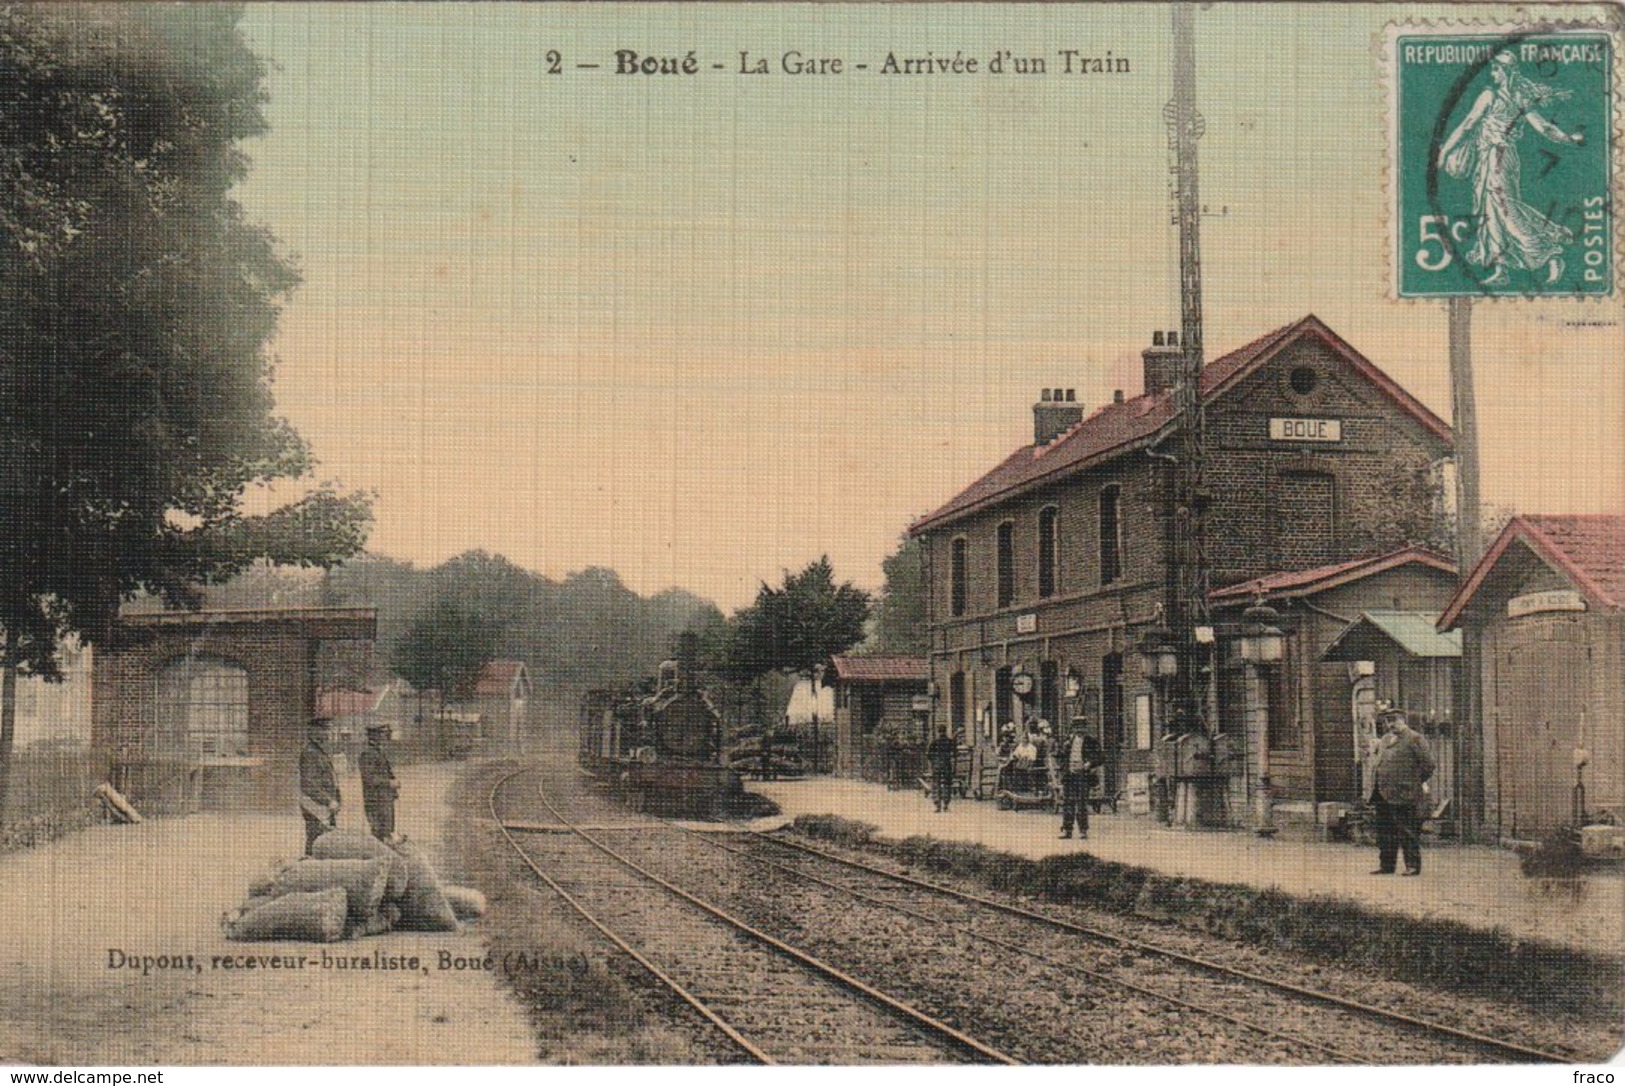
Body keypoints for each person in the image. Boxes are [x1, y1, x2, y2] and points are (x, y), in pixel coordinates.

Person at [1437, 51, 1584, 286]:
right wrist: (1568, 138)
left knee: (1505, 212)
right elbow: (1545, 128)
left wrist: (1444, 153)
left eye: (1496, 70)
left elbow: (1467, 126)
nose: (1493, 74)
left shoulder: (1490, 95)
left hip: (1497, 159)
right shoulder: (1519, 98)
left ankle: (1550, 253)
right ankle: (1501, 268)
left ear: (1506, 72)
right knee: (1492, 212)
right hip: (1500, 159)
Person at [1368, 709, 1435, 876]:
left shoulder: (1415, 738)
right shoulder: (1385, 739)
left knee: (1407, 830)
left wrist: (1413, 782)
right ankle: (1387, 865)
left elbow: (1428, 765)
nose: (1390, 725)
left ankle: (1412, 865)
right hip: (1382, 792)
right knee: (1385, 831)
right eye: (1387, 721)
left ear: (1403, 720)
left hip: (1404, 793)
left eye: (1394, 720)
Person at [299, 717, 340, 855]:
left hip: (324, 806)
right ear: (314, 731)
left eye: (328, 729)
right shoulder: (310, 753)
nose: (328, 733)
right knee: (317, 842)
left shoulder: (319, 751)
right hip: (316, 806)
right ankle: (308, 871)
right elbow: (308, 784)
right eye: (325, 729)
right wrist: (328, 800)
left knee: (326, 842)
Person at [1058, 721, 1103, 840]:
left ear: (1085, 728)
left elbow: (1100, 757)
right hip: (1069, 776)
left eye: (1081, 727)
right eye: (1076, 727)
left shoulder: (1091, 741)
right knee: (1068, 803)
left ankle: (1083, 830)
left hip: (1083, 776)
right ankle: (1067, 830)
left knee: (1082, 803)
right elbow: (1062, 757)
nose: (1079, 730)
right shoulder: (1068, 742)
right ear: (1073, 728)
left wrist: (1089, 763)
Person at [358, 720, 400, 842]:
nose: (385, 737)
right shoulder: (368, 753)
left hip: (384, 798)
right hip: (375, 800)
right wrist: (389, 783)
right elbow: (369, 778)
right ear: (374, 735)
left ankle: (387, 857)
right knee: (381, 833)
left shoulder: (377, 752)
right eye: (382, 734)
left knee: (388, 831)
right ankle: (381, 859)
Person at [926, 726, 958, 812]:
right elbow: (954, 755)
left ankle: (937, 805)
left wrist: (932, 765)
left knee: (936, 785)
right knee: (947, 784)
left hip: (936, 766)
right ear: (946, 731)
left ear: (938, 731)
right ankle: (946, 805)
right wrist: (954, 767)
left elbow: (929, 756)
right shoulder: (950, 742)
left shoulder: (934, 742)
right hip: (947, 766)